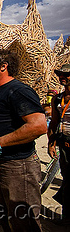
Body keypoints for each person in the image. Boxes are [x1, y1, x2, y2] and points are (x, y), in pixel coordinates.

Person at [0, 48, 46, 231]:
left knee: (23, 222)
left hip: (18, 166)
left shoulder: (18, 90)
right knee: (5, 217)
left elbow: (38, 125)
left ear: (3, 66)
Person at [47, 63, 70, 224]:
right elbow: (54, 122)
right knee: (67, 179)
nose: (62, 77)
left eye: (66, 74)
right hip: (65, 145)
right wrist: (51, 142)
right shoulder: (58, 99)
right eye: (60, 74)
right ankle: (66, 216)